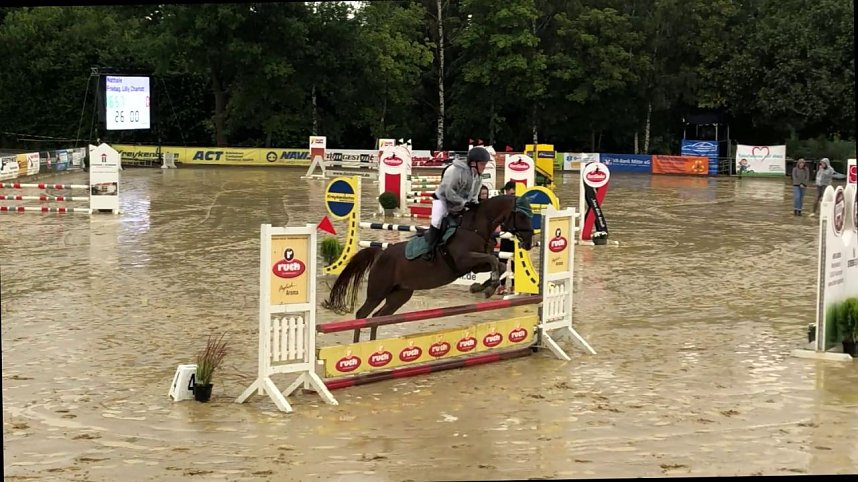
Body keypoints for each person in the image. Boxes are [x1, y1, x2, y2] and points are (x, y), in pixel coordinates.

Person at [423, 147, 492, 260]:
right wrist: (464, 203)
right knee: (437, 221)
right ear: (473, 163)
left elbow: (474, 195)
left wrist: (475, 204)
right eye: (482, 164)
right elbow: (449, 192)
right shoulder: (456, 171)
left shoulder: (478, 177)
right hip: (443, 199)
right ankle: (430, 250)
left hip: (460, 202)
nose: (484, 167)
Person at [496, 181, 517, 294]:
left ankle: (514, 285)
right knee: (502, 261)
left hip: (516, 235)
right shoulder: (503, 204)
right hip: (505, 235)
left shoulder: (519, 203)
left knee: (515, 262)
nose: (508, 194)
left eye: (511, 192)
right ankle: (502, 285)